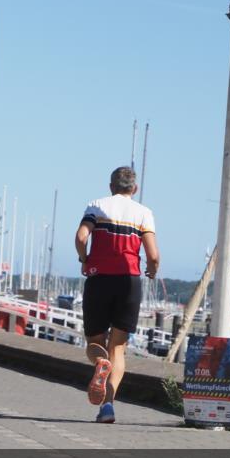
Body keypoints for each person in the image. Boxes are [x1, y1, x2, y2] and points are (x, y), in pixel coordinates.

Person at [75, 166, 159, 424]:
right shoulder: (144, 213)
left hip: (99, 280)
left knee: (95, 343)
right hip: (129, 282)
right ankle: (108, 406)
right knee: (119, 348)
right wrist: (151, 270)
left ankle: (100, 362)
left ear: (111, 186)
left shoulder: (96, 205)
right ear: (134, 188)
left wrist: (84, 258)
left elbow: (80, 237)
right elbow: (153, 255)